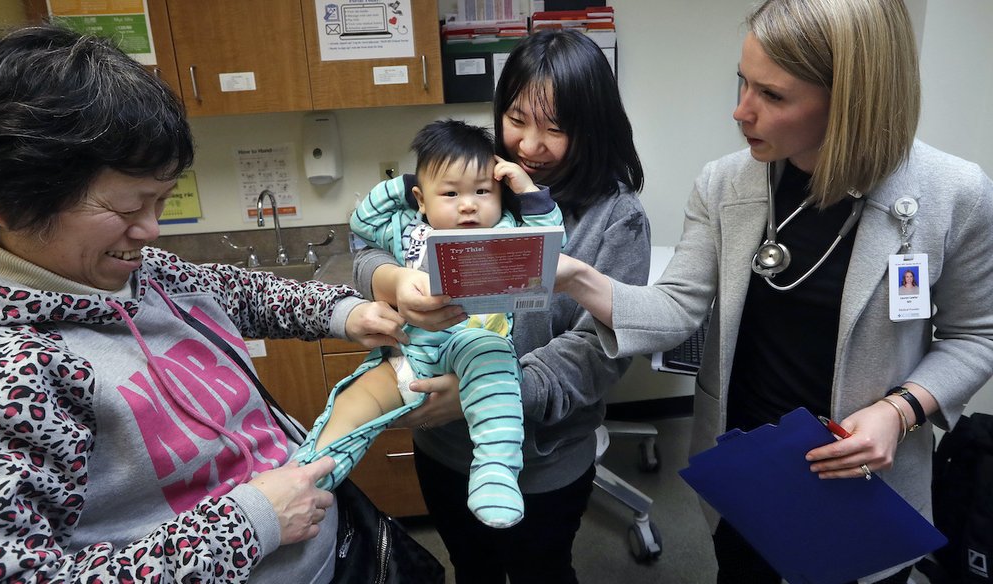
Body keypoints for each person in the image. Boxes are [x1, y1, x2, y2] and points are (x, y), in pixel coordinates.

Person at [554, 0, 993, 582]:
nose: (741, 111)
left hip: (861, 478)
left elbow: (975, 335)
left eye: (773, 96)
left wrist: (900, 410)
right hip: (746, 466)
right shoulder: (724, 183)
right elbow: (676, 308)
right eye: (743, 82)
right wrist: (571, 275)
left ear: (853, 101)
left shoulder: (954, 195)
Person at [0, 25, 408, 583]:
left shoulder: (127, 271)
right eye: (128, 207)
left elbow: (236, 291)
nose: (150, 231)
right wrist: (249, 524)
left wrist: (347, 312)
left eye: (161, 201)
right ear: (6, 204)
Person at [353, 29, 649, 583]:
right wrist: (390, 279)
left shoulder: (616, 218)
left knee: (542, 570)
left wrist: (481, 393)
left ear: (593, 125)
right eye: (517, 119)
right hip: (443, 445)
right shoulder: (476, 177)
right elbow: (373, 247)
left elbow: (600, 352)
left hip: (544, 457)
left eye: (555, 128)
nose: (529, 146)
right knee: (471, 566)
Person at [294, 119, 562, 529]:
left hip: (473, 348)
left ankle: (496, 473)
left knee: (496, 375)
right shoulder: (410, 231)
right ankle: (304, 480)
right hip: (411, 354)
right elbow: (363, 221)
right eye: (450, 193)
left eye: (481, 191)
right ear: (421, 199)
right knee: (351, 405)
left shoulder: (508, 229)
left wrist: (525, 190)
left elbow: (551, 241)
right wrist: (409, 184)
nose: (468, 204)